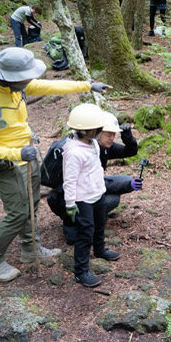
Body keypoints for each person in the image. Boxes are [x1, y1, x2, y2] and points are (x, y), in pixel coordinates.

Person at [0, 47, 111, 283]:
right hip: (5, 163)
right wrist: (16, 152)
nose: (29, 81)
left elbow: (50, 86)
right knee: (17, 213)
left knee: (32, 205)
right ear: (10, 76)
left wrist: (87, 84)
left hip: (28, 156)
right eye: (25, 78)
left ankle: (30, 248)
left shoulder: (17, 86)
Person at [47, 112, 141, 244]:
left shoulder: (102, 147)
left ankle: (91, 217)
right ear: (95, 132)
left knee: (114, 195)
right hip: (66, 197)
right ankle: (72, 222)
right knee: (75, 239)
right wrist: (127, 186)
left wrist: (127, 137)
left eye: (114, 134)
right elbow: (85, 183)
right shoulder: (81, 151)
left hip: (88, 190)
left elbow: (130, 151)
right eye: (109, 134)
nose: (112, 138)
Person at [63, 104, 121, 287]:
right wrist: (70, 203)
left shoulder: (93, 143)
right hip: (82, 199)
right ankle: (81, 271)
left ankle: (100, 249)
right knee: (85, 234)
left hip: (98, 193)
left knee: (100, 225)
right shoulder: (73, 152)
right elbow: (69, 180)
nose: (100, 130)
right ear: (88, 130)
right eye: (98, 128)